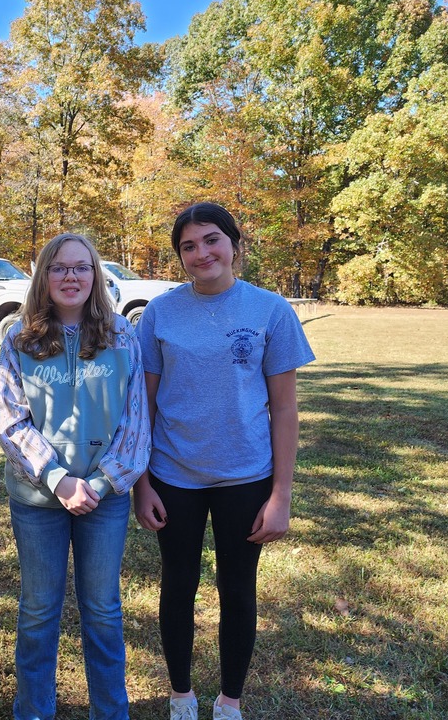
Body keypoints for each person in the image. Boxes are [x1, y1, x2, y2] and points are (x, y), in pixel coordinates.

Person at [133, 202, 315, 720]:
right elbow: (142, 407)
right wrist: (141, 484)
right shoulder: (159, 314)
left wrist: (281, 496)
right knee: (178, 584)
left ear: (236, 245)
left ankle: (230, 700)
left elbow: (283, 408)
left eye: (211, 240)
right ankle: (181, 695)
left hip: (246, 477)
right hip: (173, 476)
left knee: (237, 588)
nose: (201, 253)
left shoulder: (270, 310)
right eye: (188, 246)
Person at [0, 232, 151, 720]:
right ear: (44, 274)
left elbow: (136, 419)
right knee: (39, 611)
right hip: (37, 499)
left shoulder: (123, 335)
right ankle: (33, 711)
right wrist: (59, 479)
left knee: (103, 611)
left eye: (82, 267)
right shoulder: (18, 337)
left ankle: (110, 712)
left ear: (96, 276)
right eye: (59, 267)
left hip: (105, 500)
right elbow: (10, 418)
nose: (71, 277)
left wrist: (101, 484)